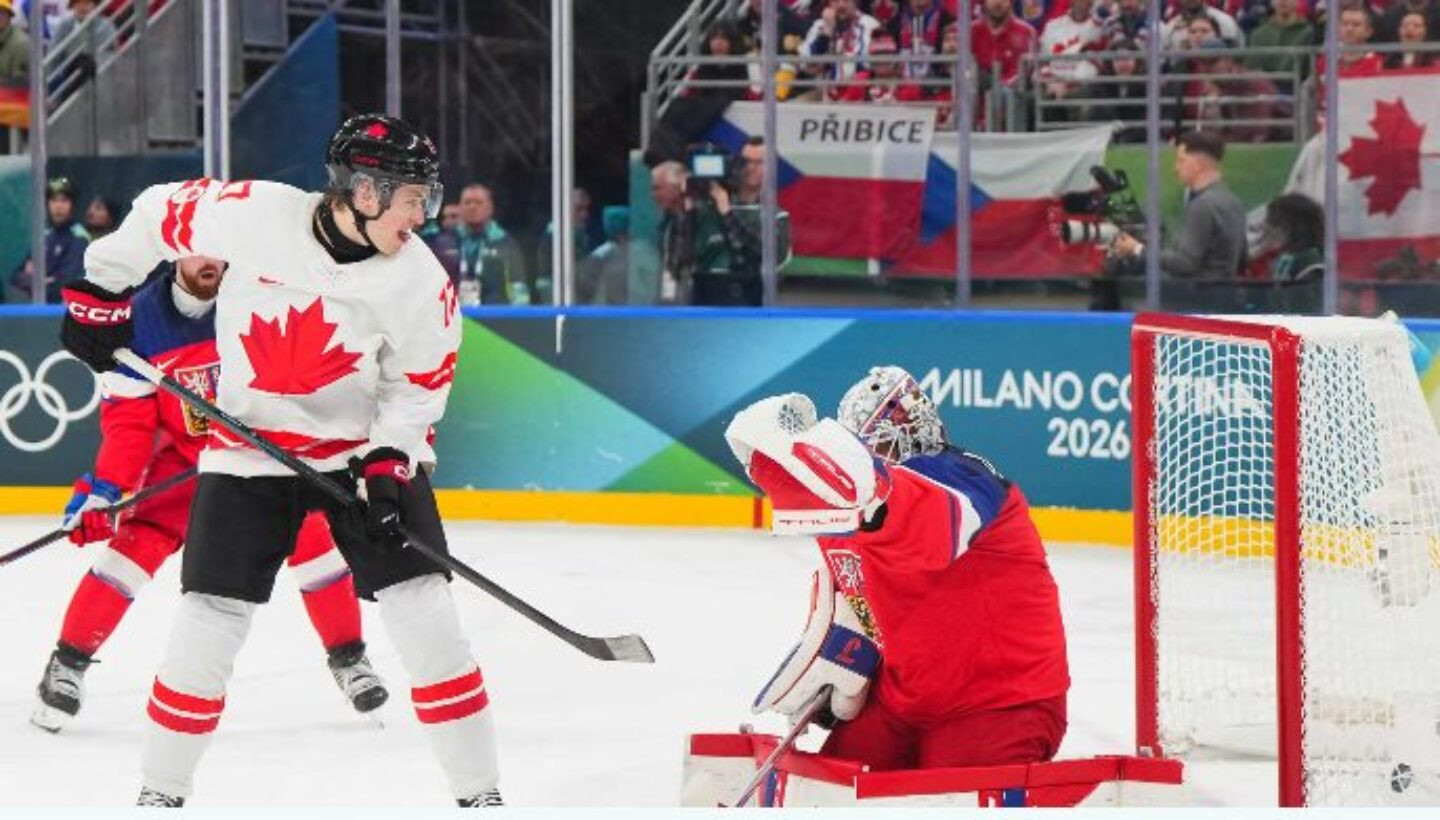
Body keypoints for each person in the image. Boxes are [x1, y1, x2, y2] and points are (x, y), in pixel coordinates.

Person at [58, 114, 501, 808]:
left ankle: (481, 796)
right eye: (415, 198)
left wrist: (390, 460)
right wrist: (102, 292)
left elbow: (417, 387)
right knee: (206, 624)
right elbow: (157, 214)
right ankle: (160, 795)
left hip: (356, 458)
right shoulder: (255, 215)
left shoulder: (421, 280)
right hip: (248, 453)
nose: (424, 215)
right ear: (365, 192)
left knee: (429, 620)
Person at [34, 256, 388, 733]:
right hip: (186, 465)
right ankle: (67, 663)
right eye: (199, 250)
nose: (211, 261)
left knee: (312, 540)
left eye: (219, 250)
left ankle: (350, 658)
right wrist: (106, 490)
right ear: (176, 251)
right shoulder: (140, 322)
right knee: (133, 551)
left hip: (258, 459)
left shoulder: (261, 296)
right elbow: (130, 424)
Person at [724, 366, 1069, 771]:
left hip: (1000, 701)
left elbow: (930, 531)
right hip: (903, 701)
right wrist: (841, 666)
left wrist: (870, 489)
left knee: (943, 799)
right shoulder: (845, 511)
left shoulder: (965, 476)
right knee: (825, 788)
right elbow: (856, 608)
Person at [1111, 130, 1248, 279]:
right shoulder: (1234, 203)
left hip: (1195, 292)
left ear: (1197, 164)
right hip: (1224, 290)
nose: (1176, 168)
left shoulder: (1202, 206)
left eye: (1181, 160)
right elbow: (1242, 257)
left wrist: (1136, 249)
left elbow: (1185, 263)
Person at [651, 159, 763, 306]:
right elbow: (676, 266)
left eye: (657, 188)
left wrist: (726, 213)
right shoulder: (673, 224)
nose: (653, 195)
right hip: (693, 300)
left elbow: (755, 251)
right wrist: (686, 215)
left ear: (675, 188)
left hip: (735, 298)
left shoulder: (730, 212)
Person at [429, 183, 530, 306]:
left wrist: (520, 315)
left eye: (478, 202)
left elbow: (518, 286)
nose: (472, 207)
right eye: (467, 202)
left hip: (495, 314)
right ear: (460, 207)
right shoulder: (442, 243)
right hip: (453, 314)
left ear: (490, 207)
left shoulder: (505, 243)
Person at [11, 177, 89, 302]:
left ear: (72, 205)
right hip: (40, 306)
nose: (58, 206)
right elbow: (16, 277)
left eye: (64, 201)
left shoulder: (79, 236)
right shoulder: (44, 235)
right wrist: (43, 280)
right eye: (53, 200)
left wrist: (38, 280)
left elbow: (69, 280)